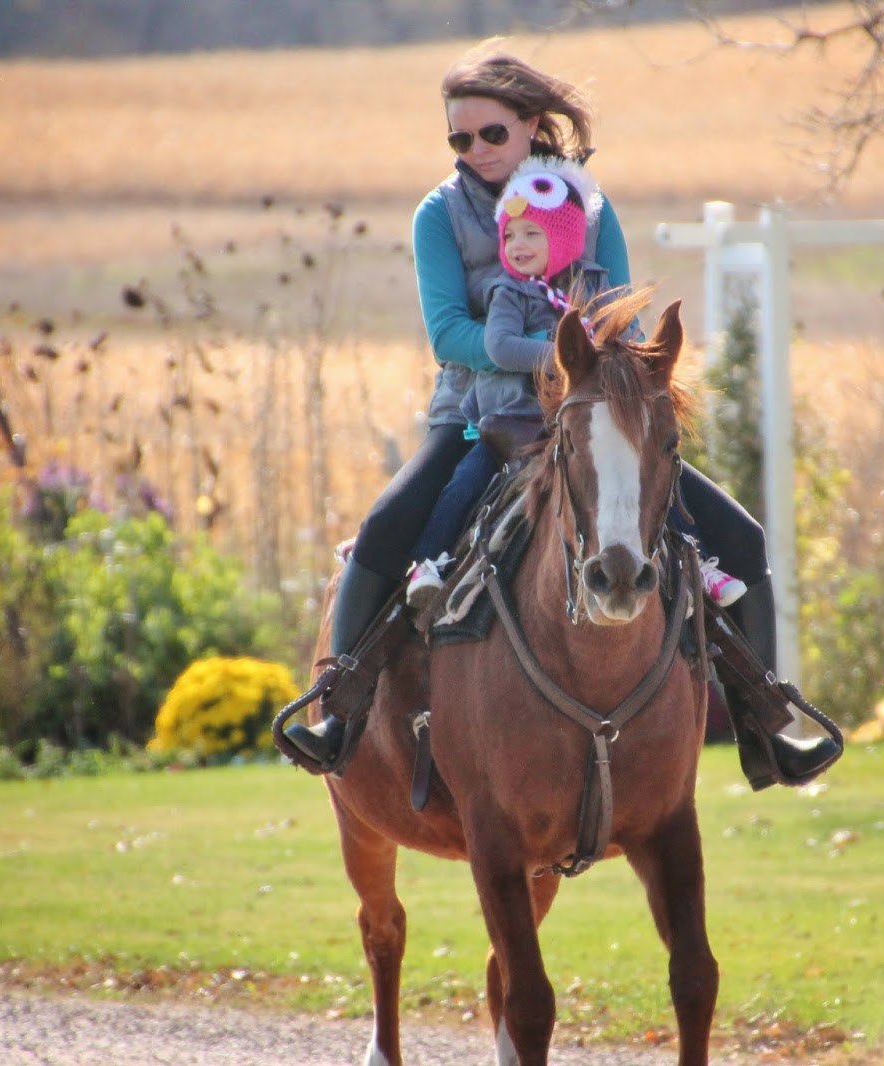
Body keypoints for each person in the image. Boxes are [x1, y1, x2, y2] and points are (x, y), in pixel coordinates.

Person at [283, 46, 838, 788]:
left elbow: (621, 323)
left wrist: (596, 375)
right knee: (387, 527)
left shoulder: (591, 206)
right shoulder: (437, 215)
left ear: (533, 126)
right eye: (458, 139)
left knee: (740, 537)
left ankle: (769, 724)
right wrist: (561, 355)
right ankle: (338, 714)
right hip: (479, 414)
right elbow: (449, 335)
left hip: (593, 419)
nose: (474, 152)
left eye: (490, 135)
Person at [403, 153, 746, 611]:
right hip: (511, 420)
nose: (517, 244)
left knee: (653, 477)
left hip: (584, 417)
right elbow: (500, 346)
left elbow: (623, 337)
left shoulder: (595, 284)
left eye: (531, 234)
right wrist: (572, 362)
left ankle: (701, 563)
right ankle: (428, 560)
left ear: (563, 241)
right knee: (465, 482)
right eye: (509, 235)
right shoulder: (508, 292)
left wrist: (614, 366)